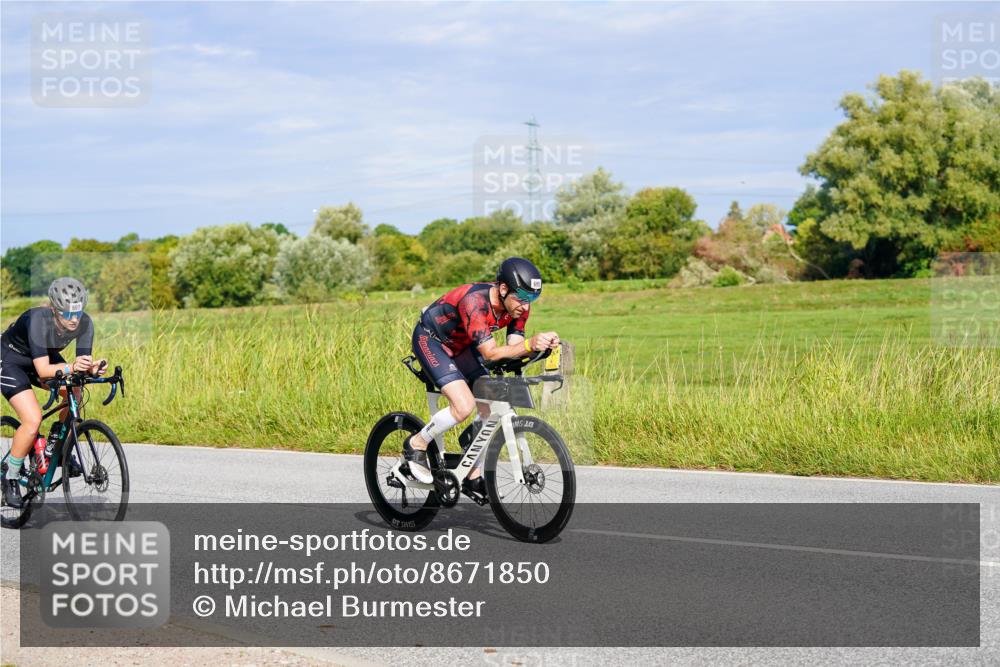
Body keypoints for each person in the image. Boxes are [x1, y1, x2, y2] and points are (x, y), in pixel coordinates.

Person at [405, 257, 560, 495]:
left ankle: (471, 474)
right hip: (432, 341)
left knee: (489, 405)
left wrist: (540, 348)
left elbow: (514, 345)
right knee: (463, 406)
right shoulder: (475, 302)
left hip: (463, 345)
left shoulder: (518, 303)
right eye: (522, 299)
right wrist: (531, 344)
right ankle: (417, 444)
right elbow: (490, 352)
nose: (526, 306)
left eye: (532, 299)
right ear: (503, 289)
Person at [1, 277, 106, 509]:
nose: (74, 319)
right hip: (11, 360)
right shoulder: (39, 320)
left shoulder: (85, 323)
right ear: (53, 309)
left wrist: (92, 367)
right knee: (33, 419)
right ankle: (10, 476)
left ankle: (55, 448)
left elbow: (79, 364)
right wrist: (71, 367)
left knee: (75, 389)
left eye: (77, 313)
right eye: (67, 314)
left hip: (43, 357)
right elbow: (43, 370)